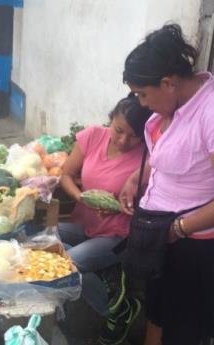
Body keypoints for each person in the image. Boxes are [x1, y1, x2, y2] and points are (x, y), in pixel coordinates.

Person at [116, 24, 214, 345]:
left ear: (168, 83)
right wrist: (137, 178)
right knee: (158, 313)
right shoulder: (175, 106)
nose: (142, 103)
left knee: (182, 329)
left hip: (193, 247)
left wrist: (178, 228)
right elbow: (170, 155)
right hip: (163, 235)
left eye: (143, 95)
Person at [59, 94, 151, 323]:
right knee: (42, 236)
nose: (123, 141)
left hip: (119, 236)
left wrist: (120, 208)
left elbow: (154, 207)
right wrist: (81, 197)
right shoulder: (92, 136)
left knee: (66, 264)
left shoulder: (148, 158)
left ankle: (115, 311)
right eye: (119, 130)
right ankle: (106, 275)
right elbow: (66, 174)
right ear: (110, 119)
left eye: (134, 136)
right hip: (84, 223)